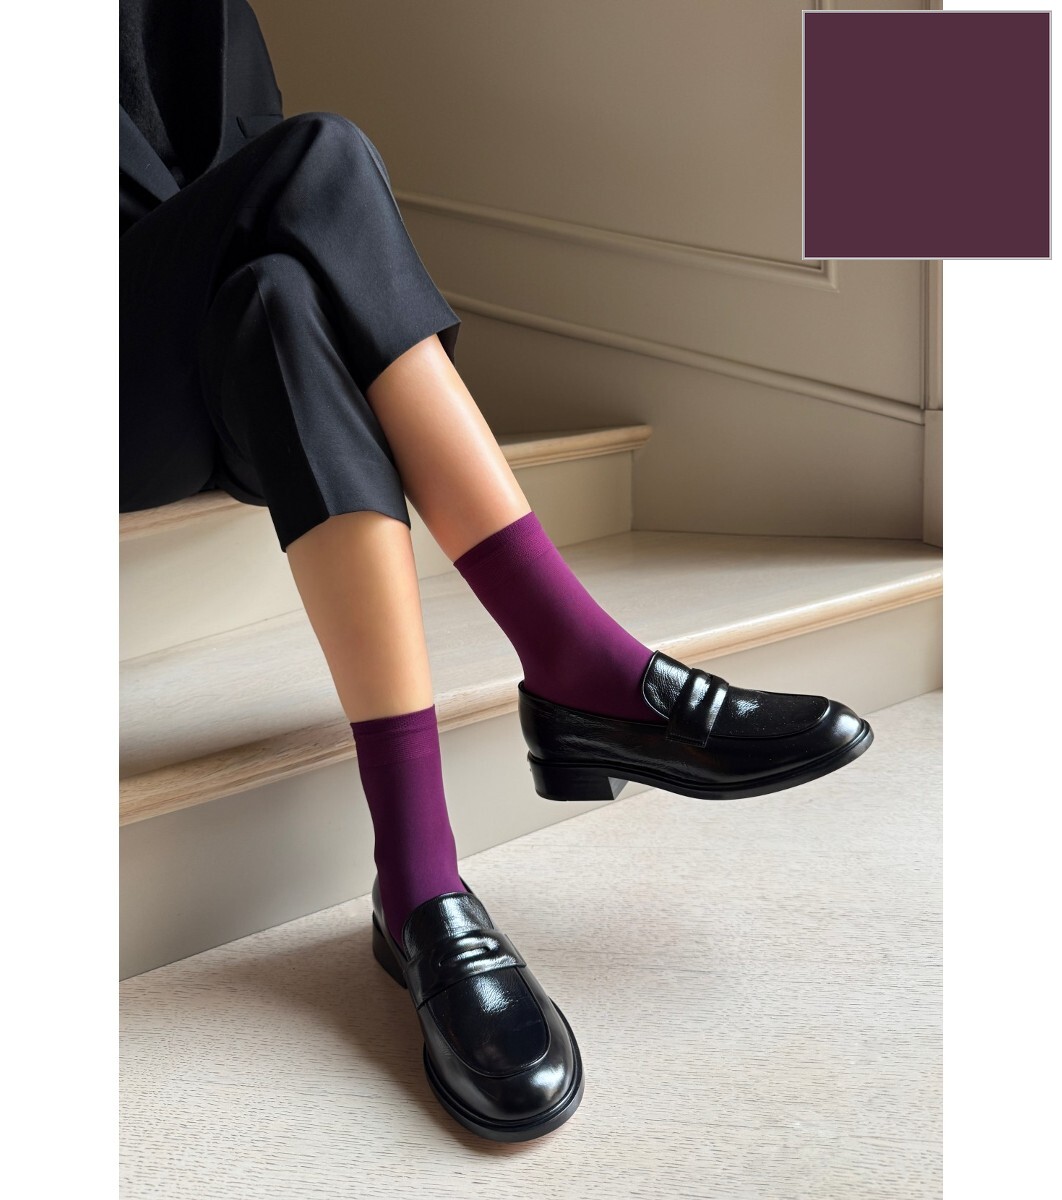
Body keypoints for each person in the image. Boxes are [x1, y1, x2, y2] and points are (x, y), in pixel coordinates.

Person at [120, 0, 874, 1143]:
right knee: (325, 156)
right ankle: (576, 664)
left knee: (278, 296)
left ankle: (419, 883)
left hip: (190, 354)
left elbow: (237, 166)